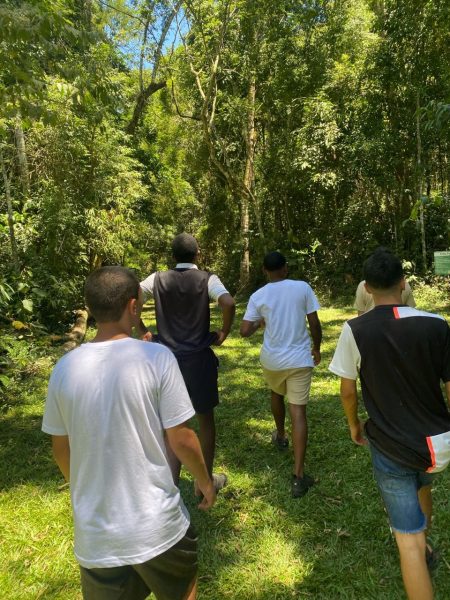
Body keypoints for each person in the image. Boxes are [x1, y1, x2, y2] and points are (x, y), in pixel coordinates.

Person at [42, 266, 216, 600]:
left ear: (91, 308)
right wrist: (205, 481)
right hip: (158, 526)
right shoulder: (156, 358)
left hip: (96, 534)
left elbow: (61, 448)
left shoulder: (64, 369)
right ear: (133, 307)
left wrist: (86, 490)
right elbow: (181, 438)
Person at [329, 248, 450, 600]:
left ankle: (418, 546)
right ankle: (425, 544)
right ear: (404, 283)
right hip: (437, 444)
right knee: (423, 486)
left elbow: (347, 391)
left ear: (366, 288)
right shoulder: (436, 324)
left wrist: (354, 425)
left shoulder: (355, 329)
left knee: (407, 541)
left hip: (392, 446)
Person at [139, 233, 235, 490]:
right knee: (205, 420)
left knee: (172, 424)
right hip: (198, 360)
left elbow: (133, 296)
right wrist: (224, 331)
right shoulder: (207, 279)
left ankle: (170, 486)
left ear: (173, 256)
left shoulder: (157, 278)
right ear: (198, 253)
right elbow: (228, 302)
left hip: (166, 360)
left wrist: (142, 329)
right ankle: (205, 482)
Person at [240, 251, 322, 498]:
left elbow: (244, 331)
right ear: (285, 268)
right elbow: (314, 322)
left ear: (265, 271)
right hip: (299, 359)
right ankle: (298, 476)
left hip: (272, 360)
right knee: (298, 412)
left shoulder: (258, 296)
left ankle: (281, 435)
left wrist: (259, 322)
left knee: (276, 392)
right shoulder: (302, 288)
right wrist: (317, 348)